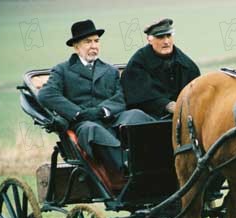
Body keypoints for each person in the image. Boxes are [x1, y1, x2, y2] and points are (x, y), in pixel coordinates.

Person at [38, 19, 152, 179]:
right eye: (88, 42)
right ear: (76, 46)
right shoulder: (62, 70)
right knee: (92, 130)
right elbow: (46, 94)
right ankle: (126, 168)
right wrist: (78, 113)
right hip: (83, 125)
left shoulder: (110, 70)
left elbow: (120, 98)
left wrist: (102, 110)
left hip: (110, 119)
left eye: (96, 41)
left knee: (136, 115)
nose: (94, 45)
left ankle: (157, 161)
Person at [121, 18, 200, 119]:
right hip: (148, 118)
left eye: (169, 36)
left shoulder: (187, 65)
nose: (166, 41)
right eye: (160, 37)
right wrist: (167, 105)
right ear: (149, 40)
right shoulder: (137, 64)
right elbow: (138, 98)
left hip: (183, 117)